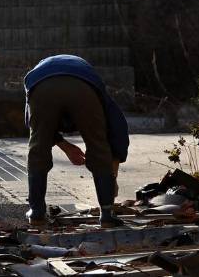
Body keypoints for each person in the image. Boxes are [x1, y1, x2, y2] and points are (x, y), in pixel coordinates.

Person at [24, 55, 130, 228]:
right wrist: (112, 175)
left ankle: (36, 212)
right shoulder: (94, 83)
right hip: (83, 87)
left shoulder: (39, 73)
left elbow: (34, 125)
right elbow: (118, 128)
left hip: (41, 85)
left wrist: (63, 144)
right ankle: (107, 214)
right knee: (98, 145)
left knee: (38, 147)